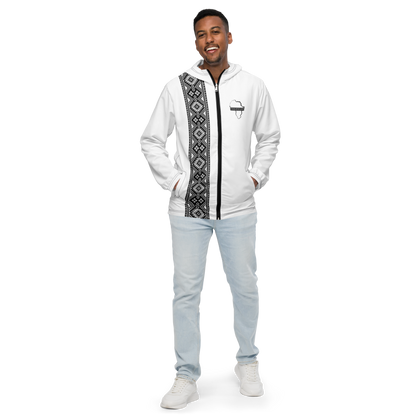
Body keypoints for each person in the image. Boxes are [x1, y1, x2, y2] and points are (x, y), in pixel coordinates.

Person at [138, 6, 283, 410]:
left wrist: (254, 179)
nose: (209, 40)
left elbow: (271, 136)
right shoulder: (175, 86)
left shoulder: (254, 85)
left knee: (246, 288)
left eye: (216, 32)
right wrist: (176, 183)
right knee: (185, 293)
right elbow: (150, 140)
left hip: (240, 210)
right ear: (195, 45)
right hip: (187, 213)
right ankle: (185, 377)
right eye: (201, 35)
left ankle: (248, 363)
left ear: (230, 37)